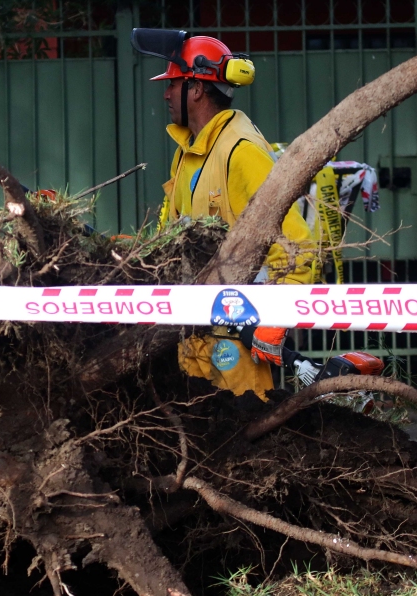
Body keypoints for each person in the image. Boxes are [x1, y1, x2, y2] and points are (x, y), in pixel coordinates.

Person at [136, 32, 316, 397]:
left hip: (237, 343)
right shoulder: (187, 152)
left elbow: (299, 245)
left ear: (197, 88)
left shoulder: (242, 150)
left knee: (241, 441)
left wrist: (276, 319)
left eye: (173, 83)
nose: (166, 94)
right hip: (191, 334)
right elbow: (167, 237)